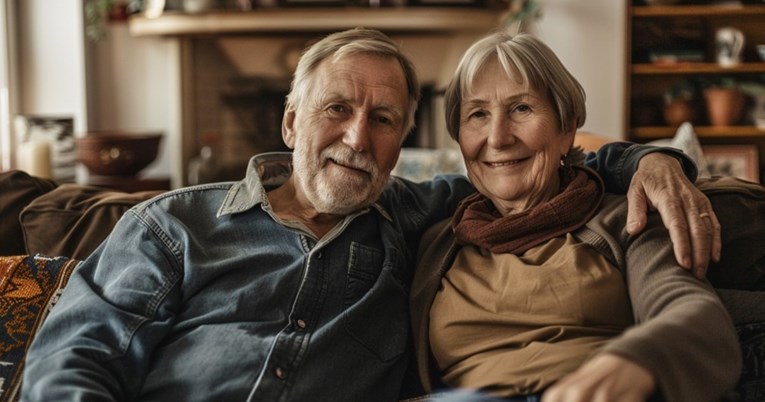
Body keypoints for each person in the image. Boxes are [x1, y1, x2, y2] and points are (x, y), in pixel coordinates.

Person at [22, 28, 719, 402]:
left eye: (383, 119)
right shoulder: (171, 228)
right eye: (337, 109)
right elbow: (72, 361)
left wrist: (651, 159)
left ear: (403, 144)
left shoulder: (416, 215)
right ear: (291, 122)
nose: (358, 137)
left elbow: (547, 174)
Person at [409, 31, 740, 402]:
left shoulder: (626, 219)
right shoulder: (435, 239)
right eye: (478, 114)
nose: (498, 137)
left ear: (567, 127)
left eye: (521, 109)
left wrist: (637, 361)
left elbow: (694, 313)